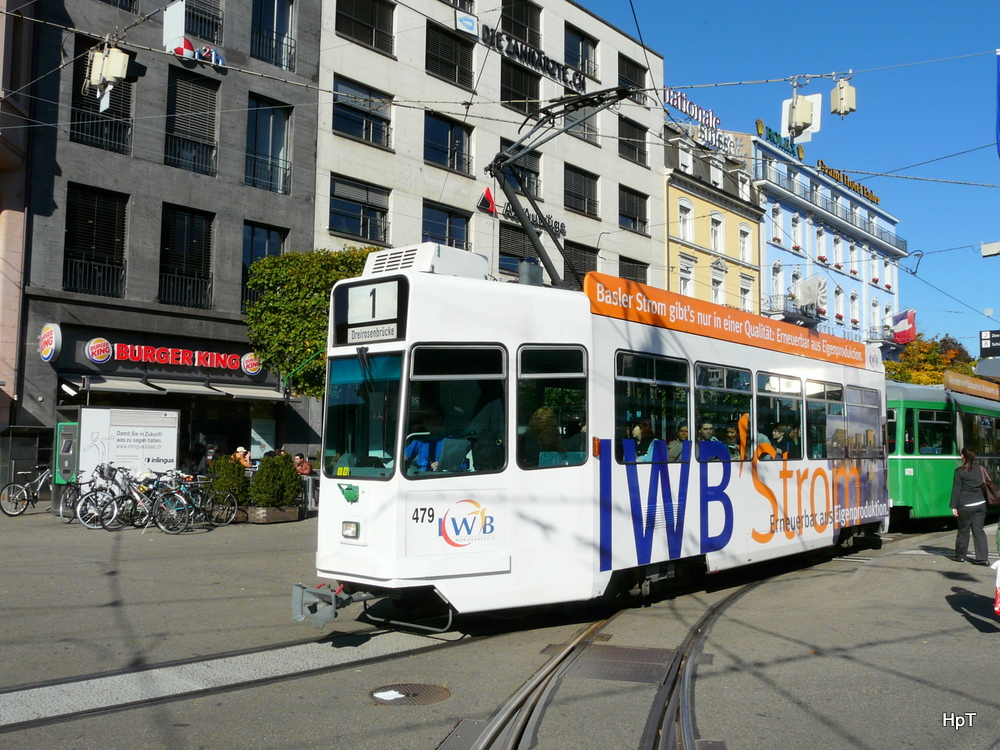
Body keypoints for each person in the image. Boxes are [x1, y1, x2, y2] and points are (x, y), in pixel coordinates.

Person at [950, 447, 990, 565]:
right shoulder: (981, 469)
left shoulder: (959, 471)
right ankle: (982, 558)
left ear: (963, 456)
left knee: (963, 530)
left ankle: (960, 556)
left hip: (965, 505)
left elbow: (956, 490)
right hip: (981, 504)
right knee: (979, 531)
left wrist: (954, 506)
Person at [405, 406, 450, 472]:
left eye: (428, 416)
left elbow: (458, 464)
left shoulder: (450, 440)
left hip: (444, 477)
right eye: (423, 417)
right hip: (421, 476)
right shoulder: (420, 439)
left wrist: (441, 466)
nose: (425, 420)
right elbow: (404, 456)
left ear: (439, 419)